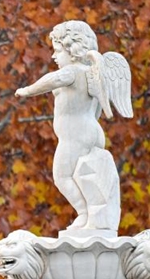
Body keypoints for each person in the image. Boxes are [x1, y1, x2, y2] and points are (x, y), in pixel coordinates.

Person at [15, 21, 124, 230]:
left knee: (61, 176)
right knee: (81, 176)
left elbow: (52, 80)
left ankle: (84, 214)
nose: (54, 57)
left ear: (73, 51)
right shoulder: (92, 75)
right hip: (90, 130)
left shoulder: (73, 72)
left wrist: (27, 90)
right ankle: (95, 216)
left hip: (76, 134)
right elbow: (98, 109)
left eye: (57, 51)